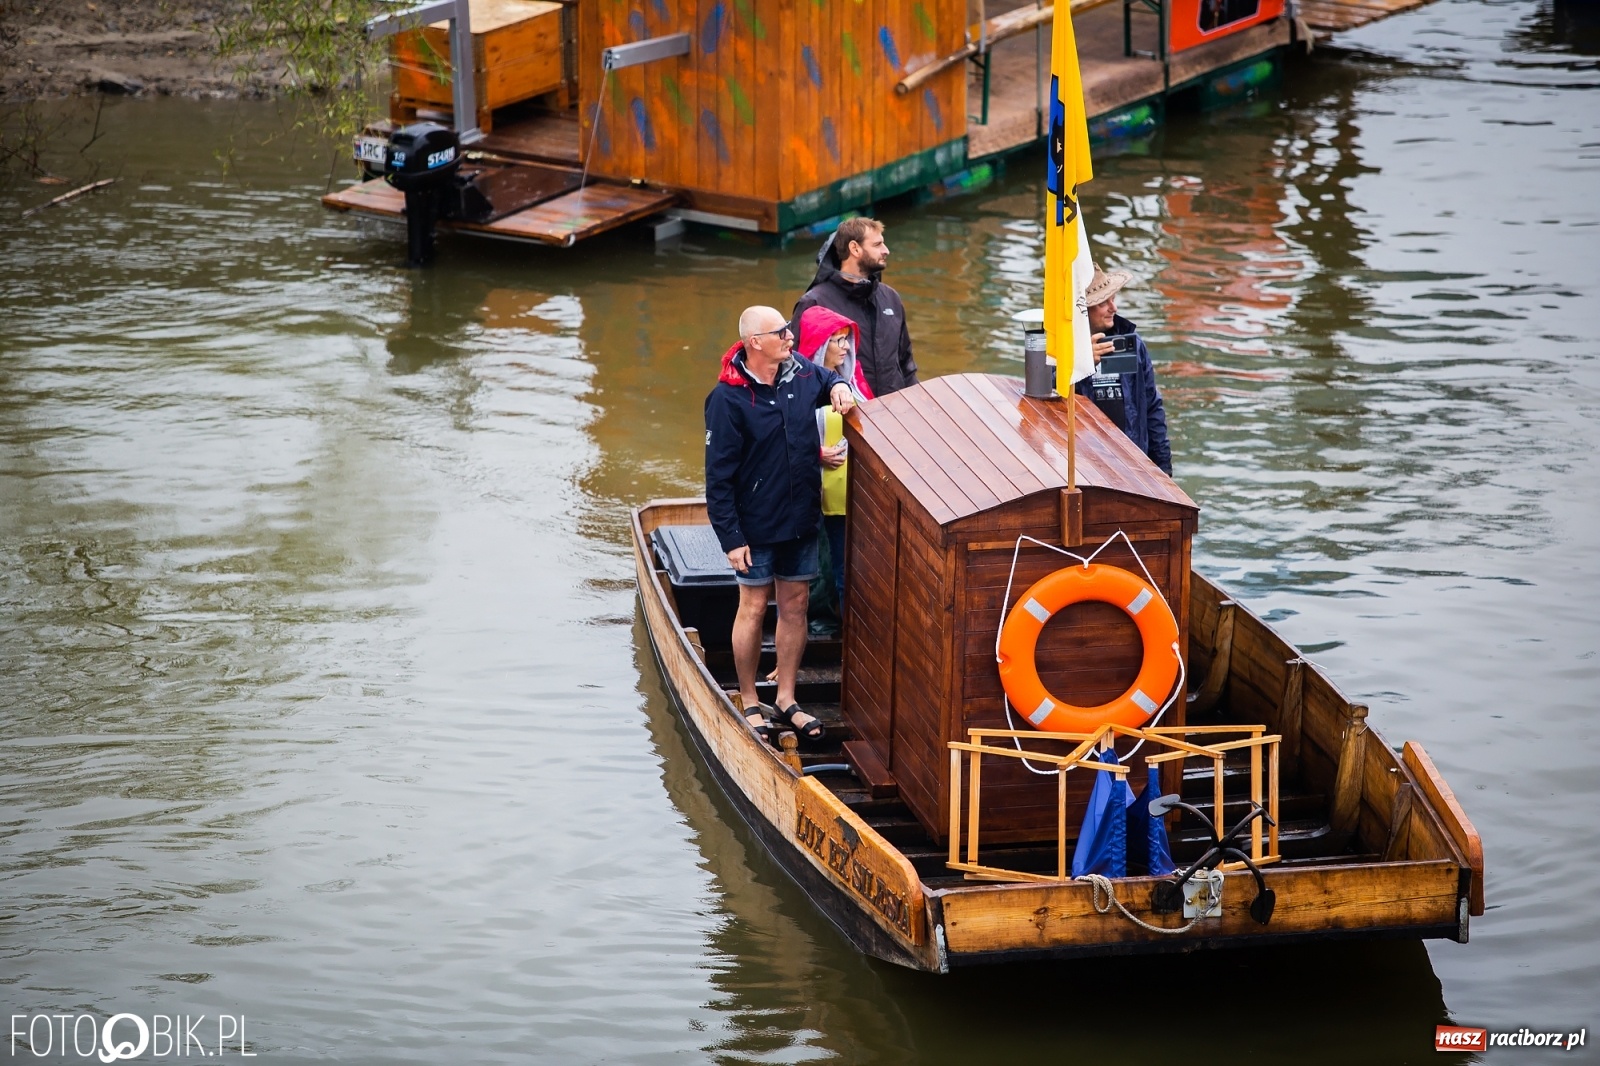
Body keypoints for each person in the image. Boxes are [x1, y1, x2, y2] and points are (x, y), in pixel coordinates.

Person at [705, 305, 857, 745]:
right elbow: (718, 479)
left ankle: (786, 698)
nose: (791, 337)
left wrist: (841, 386)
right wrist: (731, 538)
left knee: (796, 605)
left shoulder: (801, 373)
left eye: (789, 331)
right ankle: (750, 698)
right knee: (753, 607)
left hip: (801, 518)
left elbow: (827, 379)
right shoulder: (726, 399)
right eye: (781, 332)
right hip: (754, 526)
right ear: (755, 343)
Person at [795, 305, 873, 638]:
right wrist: (815, 454)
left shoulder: (854, 385)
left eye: (846, 340)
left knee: (846, 568)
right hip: (808, 495)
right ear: (819, 344)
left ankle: (849, 637)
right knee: (816, 568)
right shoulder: (795, 387)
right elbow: (779, 437)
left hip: (848, 496)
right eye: (836, 340)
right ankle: (818, 628)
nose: (844, 347)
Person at [792, 217, 918, 397]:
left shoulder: (890, 298)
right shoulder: (815, 303)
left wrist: (917, 400)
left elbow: (906, 363)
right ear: (855, 248)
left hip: (895, 408)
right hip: (846, 410)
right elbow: (798, 369)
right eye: (877, 245)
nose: (886, 250)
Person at [1074, 268, 1173, 476]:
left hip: (1132, 464)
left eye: (1113, 299)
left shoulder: (1133, 345)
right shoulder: (1060, 351)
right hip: (1085, 467)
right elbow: (1046, 405)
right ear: (1084, 309)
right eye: (1104, 303)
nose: (1114, 308)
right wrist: (1080, 363)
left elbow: (1152, 406)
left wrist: (1163, 468)